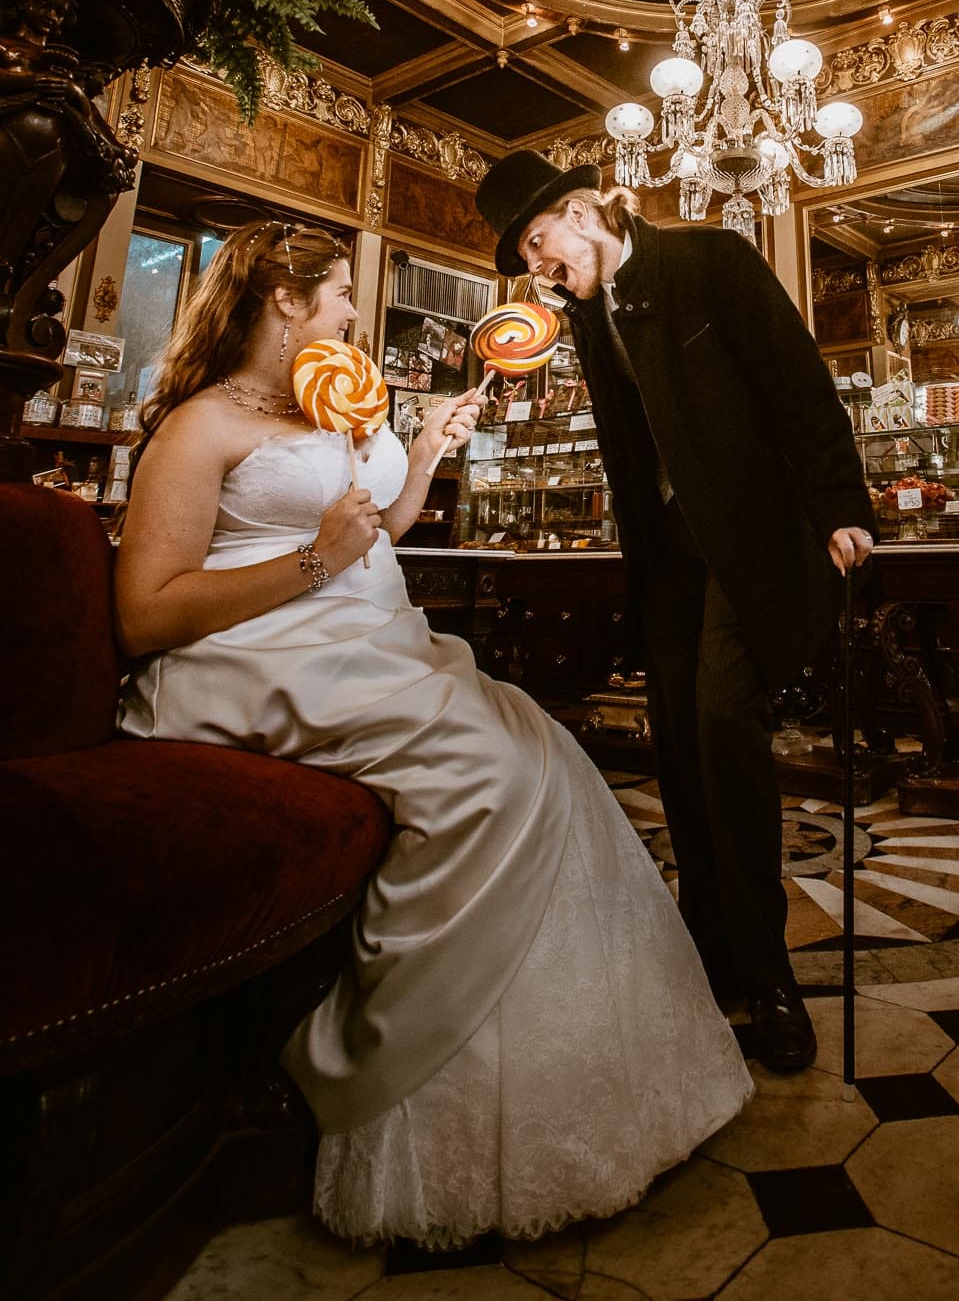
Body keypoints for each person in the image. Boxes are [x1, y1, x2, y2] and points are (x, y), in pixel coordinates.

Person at [115, 218, 751, 1249]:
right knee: (493, 769)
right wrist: (317, 561)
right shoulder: (202, 425)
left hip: (370, 643)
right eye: (335, 292)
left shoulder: (331, 412)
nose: (352, 311)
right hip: (257, 659)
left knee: (548, 754)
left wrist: (414, 459)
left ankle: (565, 1080)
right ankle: (364, 1060)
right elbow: (145, 612)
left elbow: (379, 533)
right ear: (283, 298)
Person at [474, 153, 877, 1072]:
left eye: (539, 241)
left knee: (722, 724)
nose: (537, 263)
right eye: (527, 253)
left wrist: (841, 506)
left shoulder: (710, 260)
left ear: (582, 212)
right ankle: (713, 953)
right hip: (668, 564)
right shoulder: (582, 316)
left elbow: (796, 384)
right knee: (678, 746)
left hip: (747, 540)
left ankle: (770, 975)